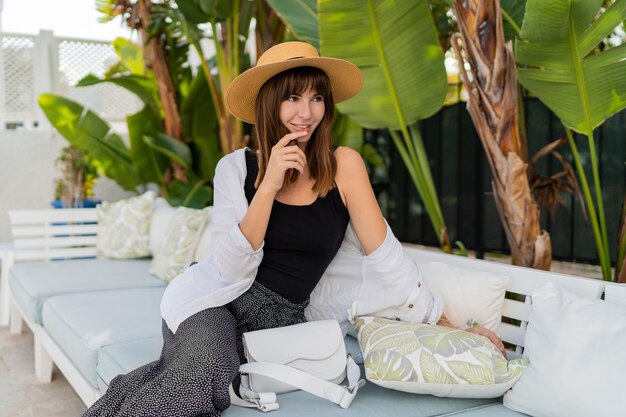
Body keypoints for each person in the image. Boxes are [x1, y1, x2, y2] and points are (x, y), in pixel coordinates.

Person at [83, 41, 504, 417]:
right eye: (293, 98)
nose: (307, 112)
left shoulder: (344, 167)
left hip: (281, 323)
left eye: (317, 97)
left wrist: (443, 321)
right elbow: (227, 268)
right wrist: (265, 188)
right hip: (213, 304)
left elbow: (386, 255)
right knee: (201, 371)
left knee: (175, 374)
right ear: (269, 104)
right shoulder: (234, 168)